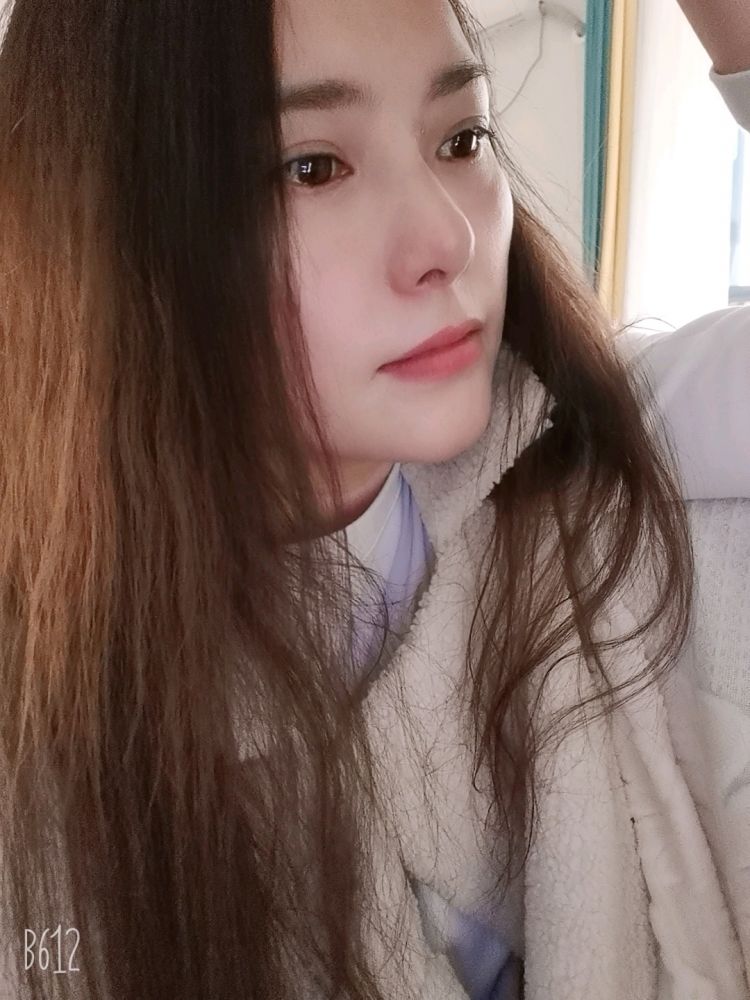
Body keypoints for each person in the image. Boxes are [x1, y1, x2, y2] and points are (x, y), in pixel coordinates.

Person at [0, 3, 747, 1000]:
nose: (449, 235)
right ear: (103, 230)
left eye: (462, 138)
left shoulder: (616, 457)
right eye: (314, 167)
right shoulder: (44, 746)